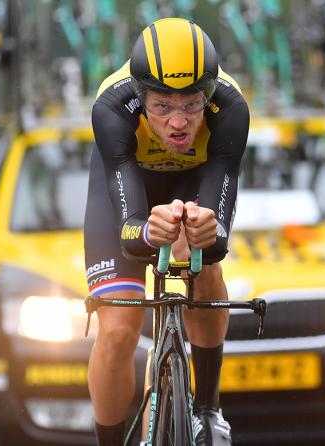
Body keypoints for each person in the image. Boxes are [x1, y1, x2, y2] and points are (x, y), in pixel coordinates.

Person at [85, 17, 249, 446]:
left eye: (191, 105)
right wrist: (144, 231)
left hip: (193, 181)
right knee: (119, 328)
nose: (178, 123)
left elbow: (219, 234)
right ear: (141, 97)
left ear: (209, 94)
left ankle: (209, 411)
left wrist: (205, 232)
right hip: (129, 185)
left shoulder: (231, 109)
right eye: (161, 106)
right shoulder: (111, 106)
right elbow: (127, 230)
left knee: (205, 263)